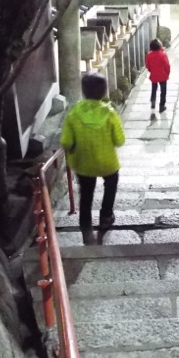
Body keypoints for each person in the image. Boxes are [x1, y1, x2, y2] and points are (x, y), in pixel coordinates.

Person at [60, 72, 125, 245]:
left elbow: (66, 141)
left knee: (86, 195)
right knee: (111, 184)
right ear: (104, 91)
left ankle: (86, 228)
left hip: (83, 163)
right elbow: (120, 140)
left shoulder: (74, 113)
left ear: (83, 90)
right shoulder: (110, 113)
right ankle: (106, 216)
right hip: (107, 162)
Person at [145, 38, 170, 113]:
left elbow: (147, 65)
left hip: (154, 75)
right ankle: (162, 105)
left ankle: (153, 101)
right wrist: (167, 73)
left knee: (154, 89)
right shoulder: (163, 54)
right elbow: (167, 65)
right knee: (163, 91)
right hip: (163, 75)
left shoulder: (149, 55)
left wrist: (151, 71)